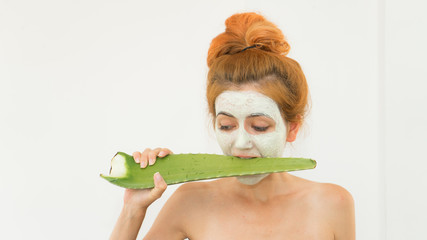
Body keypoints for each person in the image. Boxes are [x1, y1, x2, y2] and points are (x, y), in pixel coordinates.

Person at [110, 12, 355, 240]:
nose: (240, 143)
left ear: (292, 128)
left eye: (259, 126)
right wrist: (133, 209)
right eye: (226, 125)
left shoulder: (332, 203)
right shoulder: (190, 201)